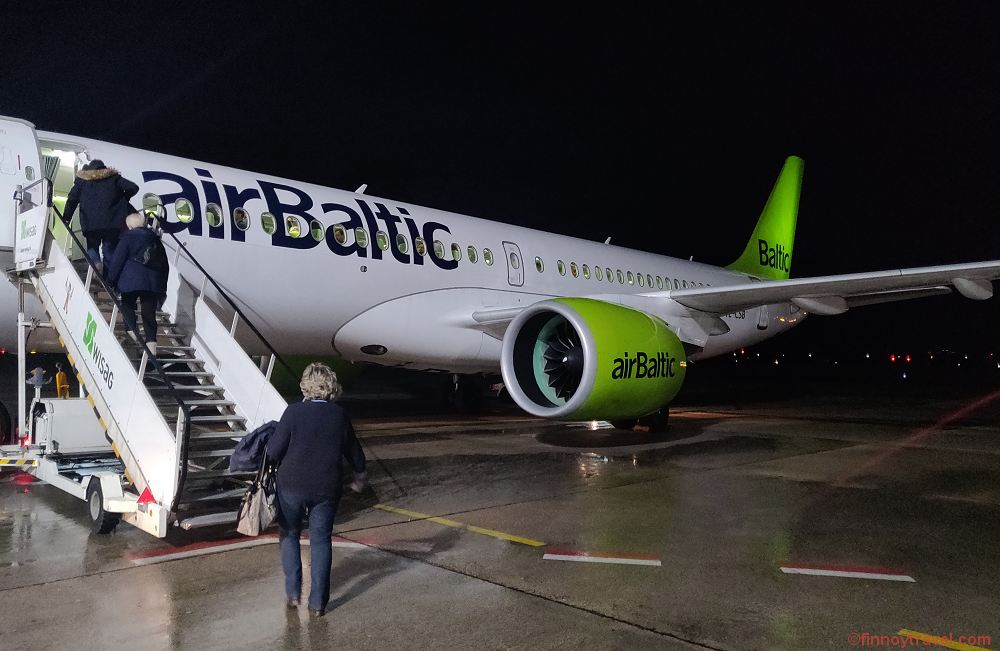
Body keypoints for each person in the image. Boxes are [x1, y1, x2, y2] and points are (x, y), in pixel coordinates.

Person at [266, 363, 367, 617]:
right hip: (326, 488)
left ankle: (293, 592)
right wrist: (359, 475)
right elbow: (354, 451)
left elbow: (274, 451)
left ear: (306, 386)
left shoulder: (292, 412)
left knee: (289, 535)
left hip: (291, 486)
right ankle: (318, 604)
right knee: (321, 540)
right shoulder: (339, 415)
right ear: (331, 386)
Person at [106, 212, 168, 355]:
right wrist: (162, 287)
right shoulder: (155, 240)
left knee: (127, 306)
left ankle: (132, 334)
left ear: (130, 225)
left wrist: (110, 280)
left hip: (130, 281)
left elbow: (117, 261)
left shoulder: (127, 238)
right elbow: (164, 265)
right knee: (149, 313)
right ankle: (151, 346)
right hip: (152, 283)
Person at [62, 159, 139, 273]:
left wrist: (66, 217)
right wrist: (122, 199)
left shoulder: (83, 180)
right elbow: (133, 187)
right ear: (104, 168)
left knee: (92, 248)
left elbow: (72, 200)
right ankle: (109, 278)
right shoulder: (113, 178)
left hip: (90, 224)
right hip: (112, 223)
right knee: (109, 250)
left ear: (89, 168)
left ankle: (96, 265)